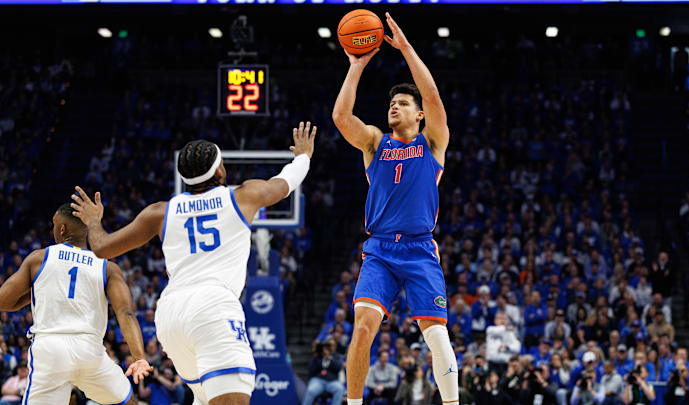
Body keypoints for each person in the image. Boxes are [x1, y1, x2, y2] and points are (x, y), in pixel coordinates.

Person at [70, 123, 316, 405]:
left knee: (204, 398)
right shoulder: (242, 196)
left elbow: (101, 247)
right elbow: (284, 184)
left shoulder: (160, 212)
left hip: (171, 315)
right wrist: (303, 156)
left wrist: (93, 222)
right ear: (220, 170)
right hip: (212, 307)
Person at [332, 12, 455, 405]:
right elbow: (340, 117)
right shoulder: (374, 142)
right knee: (363, 327)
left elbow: (432, 95)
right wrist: (355, 66)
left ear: (419, 115)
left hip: (420, 248)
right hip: (381, 249)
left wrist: (405, 49)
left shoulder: (433, 143)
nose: (394, 107)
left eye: (403, 103)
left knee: (436, 335)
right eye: (392, 104)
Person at [0, 204, 151, 404]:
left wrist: (41, 288)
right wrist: (139, 357)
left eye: (54, 224)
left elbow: (4, 300)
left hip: (50, 349)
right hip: (89, 351)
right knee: (128, 401)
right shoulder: (107, 267)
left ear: (62, 229)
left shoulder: (40, 258)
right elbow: (126, 313)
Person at [302, 340, 344, 405]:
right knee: (310, 390)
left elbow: (338, 368)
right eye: (327, 346)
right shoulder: (318, 356)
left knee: (339, 389)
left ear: (335, 346)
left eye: (331, 346)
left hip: (332, 381)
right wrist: (315, 356)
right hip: (318, 381)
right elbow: (311, 369)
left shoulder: (336, 356)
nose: (329, 348)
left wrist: (329, 357)